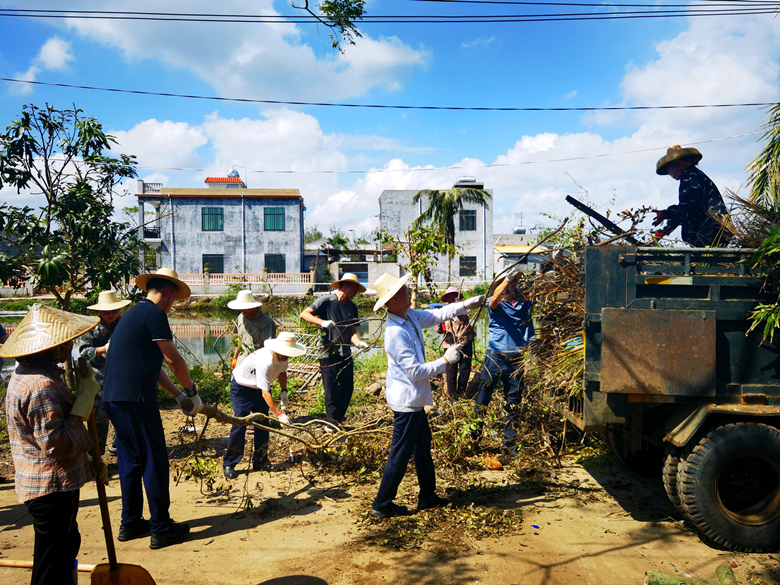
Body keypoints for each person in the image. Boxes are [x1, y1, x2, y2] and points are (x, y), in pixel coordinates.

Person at [1, 304, 108, 585]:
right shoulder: (40, 385)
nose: (70, 346)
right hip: (50, 488)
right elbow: (56, 444)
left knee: (65, 548)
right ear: (51, 348)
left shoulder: (27, 373)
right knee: (50, 564)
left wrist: (90, 462)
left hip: (50, 484)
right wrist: (84, 402)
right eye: (65, 343)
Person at [102, 268, 204, 550]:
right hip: (136, 399)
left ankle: (131, 521)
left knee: (130, 461)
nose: (172, 306)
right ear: (169, 292)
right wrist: (193, 392)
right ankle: (161, 527)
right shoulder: (154, 314)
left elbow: (153, 365)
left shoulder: (135, 314)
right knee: (154, 460)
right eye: (174, 300)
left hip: (114, 398)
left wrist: (177, 395)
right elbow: (173, 360)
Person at [370, 273, 484, 518]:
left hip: (414, 400)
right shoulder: (395, 333)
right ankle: (381, 504)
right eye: (402, 291)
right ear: (391, 302)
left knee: (423, 447)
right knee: (400, 454)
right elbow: (414, 372)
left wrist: (466, 304)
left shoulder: (409, 317)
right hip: (407, 401)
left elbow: (436, 316)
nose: (407, 291)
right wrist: (445, 361)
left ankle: (428, 497)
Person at [470, 266, 535, 461]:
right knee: (483, 399)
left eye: (515, 282)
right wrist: (506, 279)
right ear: (501, 285)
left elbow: (529, 328)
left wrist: (533, 348)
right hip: (495, 358)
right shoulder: (495, 304)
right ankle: (474, 438)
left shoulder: (523, 305)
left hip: (516, 360)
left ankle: (509, 448)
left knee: (513, 403)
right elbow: (495, 298)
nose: (513, 285)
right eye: (510, 283)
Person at [223, 332, 304, 479]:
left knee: (263, 423)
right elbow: (265, 394)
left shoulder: (283, 356)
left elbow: (282, 372)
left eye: (288, 353)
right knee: (240, 421)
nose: (286, 356)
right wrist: (279, 414)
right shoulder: (265, 361)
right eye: (285, 353)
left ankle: (260, 461)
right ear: (277, 349)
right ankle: (230, 463)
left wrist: (284, 391)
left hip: (259, 388)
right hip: (242, 388)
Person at [300, 273, 368, 429]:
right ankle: (331, 424)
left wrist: (359, 343)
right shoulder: (326, 301)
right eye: (355, 288)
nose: (356, 292)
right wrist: (322, 322)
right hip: (327, 352)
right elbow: (304, 314)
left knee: (347, 388)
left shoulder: (352, 307)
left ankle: (337, 418)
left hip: (345, 353)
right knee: (330, 389)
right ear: (346, 286)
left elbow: (352, 333)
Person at [80, 290, 131, 455]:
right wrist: (104, 349)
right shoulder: (91, 327)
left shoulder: (125, 324)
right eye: (107, 312)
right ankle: (96, 454)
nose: (111, 314)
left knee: (123, 413)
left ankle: (118, 447)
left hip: (121, 375)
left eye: (114, 311)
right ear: (100, 311)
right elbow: (83, 351)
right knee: (99, 418)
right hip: (98, 379)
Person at [653, 145, 728, 247]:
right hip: (711, 233)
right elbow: (685, 210)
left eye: (670, 168)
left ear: (679, 163)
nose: (669, 173)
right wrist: (665, 230)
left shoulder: (691, 176)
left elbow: (688, 205)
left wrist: (665, 213)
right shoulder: (692, 175)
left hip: (710, 232)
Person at [437, 286, 475, 399]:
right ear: (447, 298)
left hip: (465, 341)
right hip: (450, 344)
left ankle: (461, 392)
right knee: (451, 370)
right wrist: (441, 325)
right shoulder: (443, 312)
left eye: (455, 296)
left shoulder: (464, 309)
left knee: (465, 368)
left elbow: (465, 318)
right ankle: (452, 395)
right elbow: (439, 330)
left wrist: (459, 309)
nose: (452, 298)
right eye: (450, 296)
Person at [228, 289, 277, 370]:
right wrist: (235, 357)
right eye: (241, 308)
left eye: (245, 308)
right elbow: (239, 340)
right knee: (236, 381)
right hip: (242, 360)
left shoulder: (266, 322)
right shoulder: (240, 317)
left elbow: (269, 348)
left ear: (253, 306)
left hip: (258, 362)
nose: (243, 310)